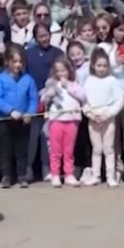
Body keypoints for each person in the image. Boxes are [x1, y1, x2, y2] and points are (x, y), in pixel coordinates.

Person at [98, 14, 124, 183]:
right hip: (109, 96)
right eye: (119, 30)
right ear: (112, 29)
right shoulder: (103, 47)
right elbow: (99, 71)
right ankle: (116, 168)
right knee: (111, 135)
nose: (122, 34)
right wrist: (114, 61)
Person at [0, 43, 38, 188]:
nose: (18, 65)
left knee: (22, 149)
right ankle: (6, 176)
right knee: (5, 149)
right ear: (7, 62)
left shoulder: (28, 79)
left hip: (23, 121)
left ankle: (21, 175)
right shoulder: (0, 79)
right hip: (4, 120)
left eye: (21, 62)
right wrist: (10, 111)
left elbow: (33, 98)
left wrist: (30, 113)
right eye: (15, 61)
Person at [25, 23, 64, 183]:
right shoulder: (28, 54)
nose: (44, 38)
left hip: (53, 99)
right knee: (33, 137)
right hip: (33, 99)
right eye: (40, 36)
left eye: (46, 35)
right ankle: (28, 168)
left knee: (48, 137)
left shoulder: (58, 53)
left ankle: (47, 167)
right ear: (35, 38)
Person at [83, 48, 124, 187]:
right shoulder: (89, 81)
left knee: (109, 148)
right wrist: (90, 114)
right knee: (96, 149)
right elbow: (84, 101)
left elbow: (119, 101)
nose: (102, 69)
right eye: (99, 65)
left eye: (105, 66)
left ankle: (110, 177)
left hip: (108, 119)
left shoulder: (112, 81)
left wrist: (108, 114)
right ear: (93, 66)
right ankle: (95, 175)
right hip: (93, 119)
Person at [41, 57, 85, 188]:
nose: (61, 74)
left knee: (69, 150)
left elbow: (83, 96)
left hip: (72, 120)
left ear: (69, 70)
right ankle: (55, 174)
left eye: (63, 71)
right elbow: (43, 100)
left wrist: (69, 86)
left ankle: (69, 174)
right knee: (55, 150)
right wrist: (49, 95)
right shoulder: (52, 84)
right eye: (58, 71)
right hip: (56, 120)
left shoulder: (74, 84)